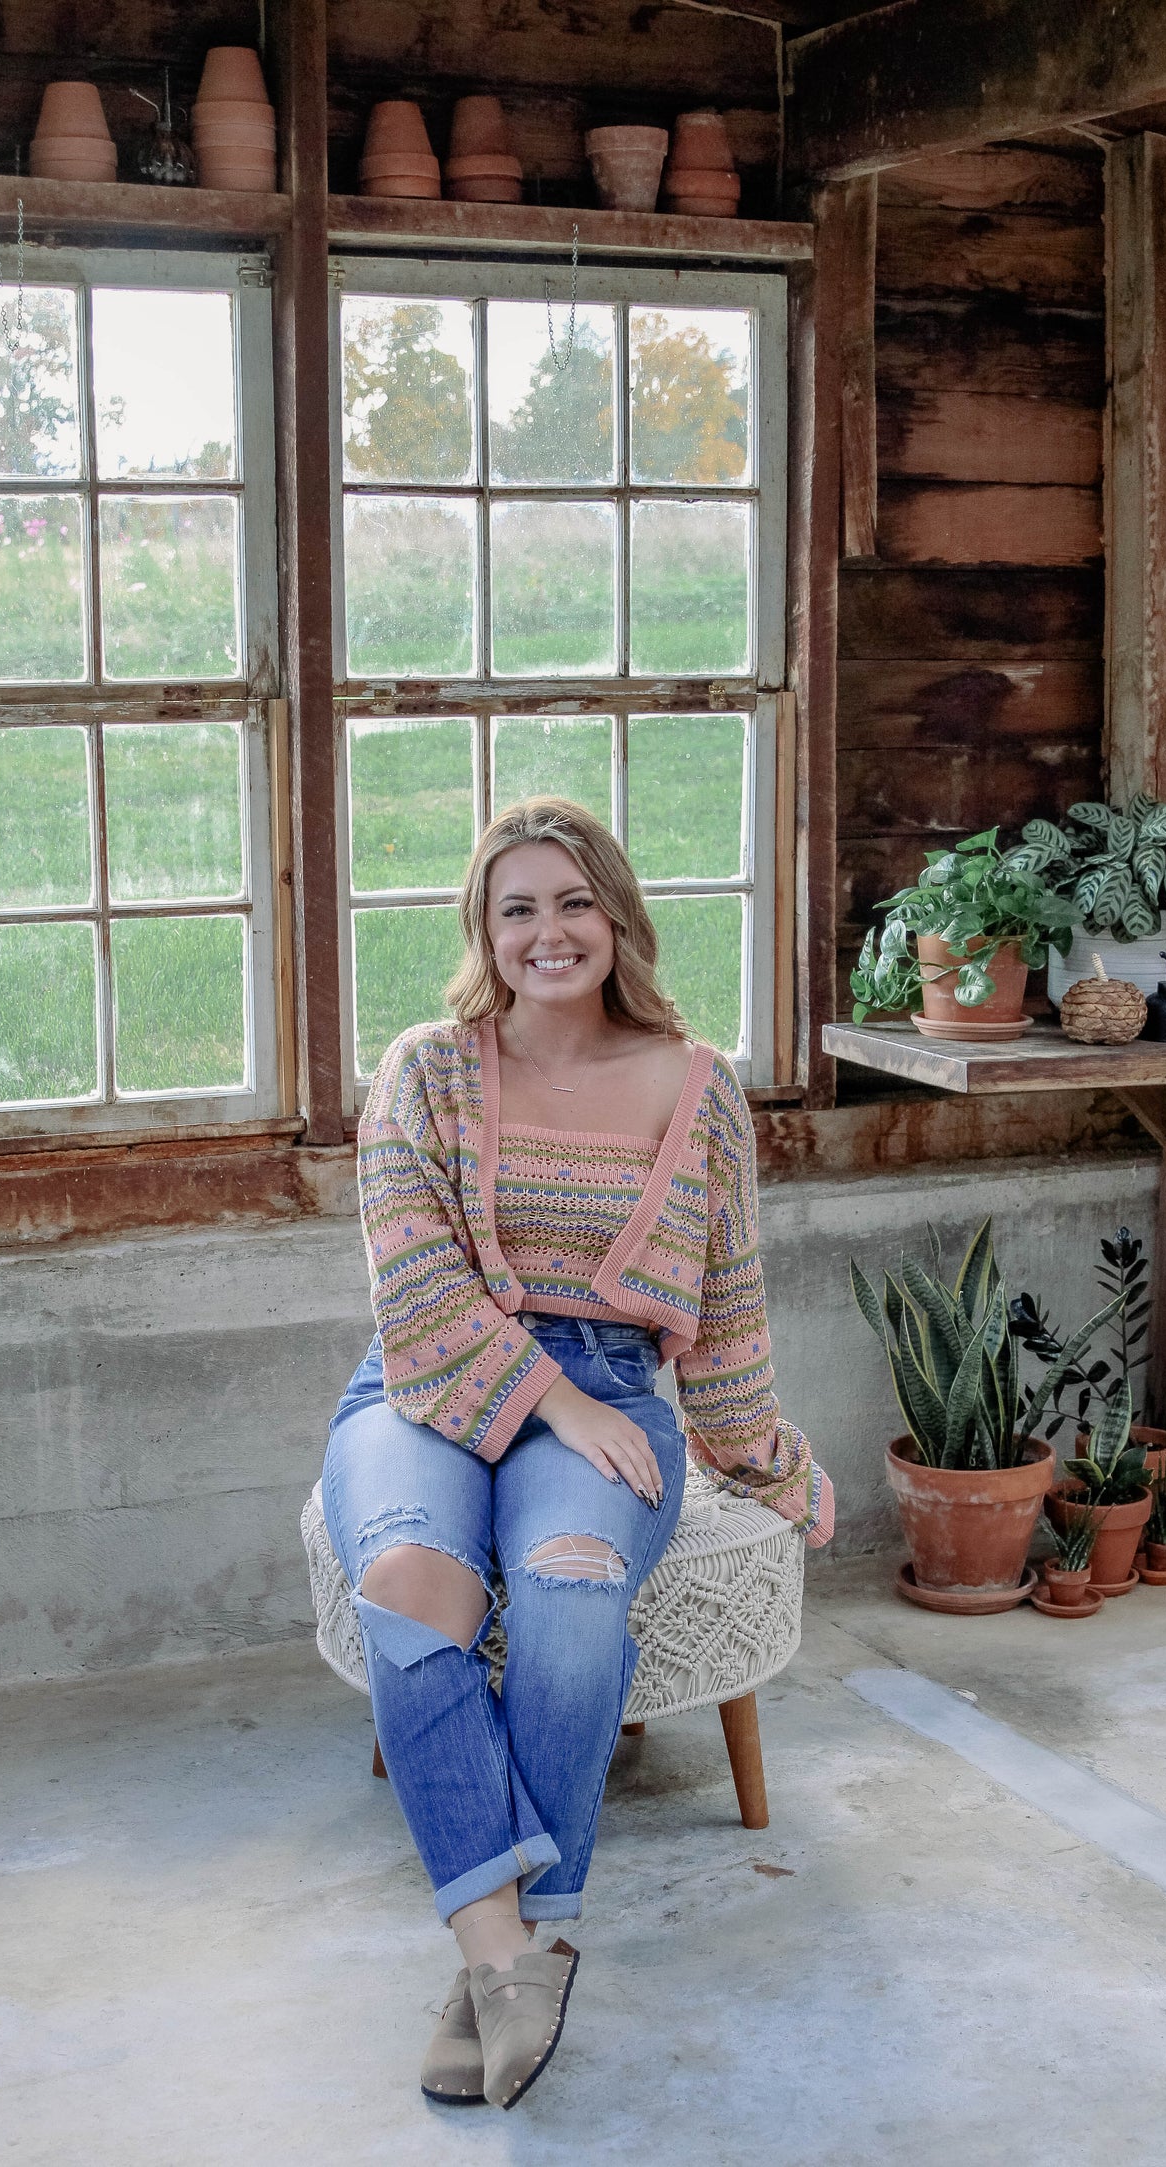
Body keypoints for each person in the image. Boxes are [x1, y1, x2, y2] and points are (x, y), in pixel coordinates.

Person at [321, 795, 833, 2110]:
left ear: (614, 916)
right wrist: (558, 1405)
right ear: (482, 933)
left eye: (571, 902)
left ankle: (514, 1944)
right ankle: (502, 1951)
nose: (548, 933)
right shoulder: (426, 1067)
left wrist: (766, 1457)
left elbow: (723, 1308)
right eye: (516, 909)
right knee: (409, 1585)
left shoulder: (699, 1086)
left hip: (615, 1387)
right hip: (423, 1390)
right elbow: (418, 1295)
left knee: (566, 1586)